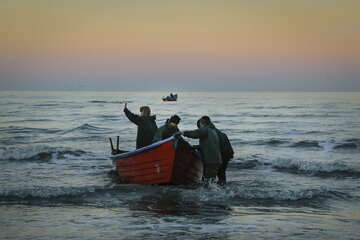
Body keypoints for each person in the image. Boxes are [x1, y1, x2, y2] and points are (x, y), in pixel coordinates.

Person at [180, 116, 222, 184]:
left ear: (202, 122)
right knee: (211, 181)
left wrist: (183, 133)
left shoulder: (205, 129)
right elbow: (209, 145)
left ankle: (210, 194)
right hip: (216, 159)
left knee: (207, 181)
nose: (200, 123)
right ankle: (214, 193)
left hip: (210, 160)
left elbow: (196, 133)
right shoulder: (212, 130)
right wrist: (197, 147)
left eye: (200, 121)